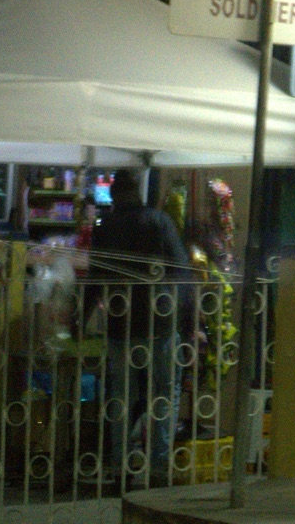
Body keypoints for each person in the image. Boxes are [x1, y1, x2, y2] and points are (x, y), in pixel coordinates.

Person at [92, 172, 195, 490]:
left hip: (121, 325)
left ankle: (120, 469)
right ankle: (160, 467)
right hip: (159, 323)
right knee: (164, 393)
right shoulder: (160, 222)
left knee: (121, 397)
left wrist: (82, 317)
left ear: (114, 194)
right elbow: (182, 271)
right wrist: (189, 323)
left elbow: (95, 277)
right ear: (137, 191)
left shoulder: (106, 226)